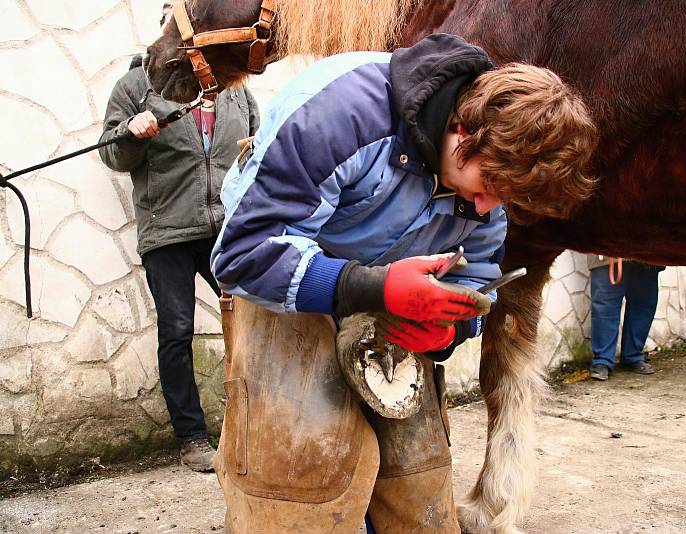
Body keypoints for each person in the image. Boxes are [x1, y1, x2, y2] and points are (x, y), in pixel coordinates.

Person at [212, 34, 597, 532]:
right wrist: (377, 288)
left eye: (503, 200)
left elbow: (477, 275)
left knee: (417, 482)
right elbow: (243, 255)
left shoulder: (489, 180)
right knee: (302, 476)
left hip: (394, 296)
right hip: (286, 289)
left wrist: (449, 331)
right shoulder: (343, 111)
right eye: (489, 189)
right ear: (463, 131)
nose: (486, 210)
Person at [97, 1, 260, 471]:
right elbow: (113, 153)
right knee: (176, 331)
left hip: (225, 230)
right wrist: (131, 132)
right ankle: (191, 437)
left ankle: (246, 424)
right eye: (175, 12)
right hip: (167, 231)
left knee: (250, 323)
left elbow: (256, 149)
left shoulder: (234, 87)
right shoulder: (136, 85)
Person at [587, 255, 665, 381]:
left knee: (644, 303)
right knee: (605, 306)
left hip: (647, 250)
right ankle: (602, 360)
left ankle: (633, 356)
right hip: (608, 251)